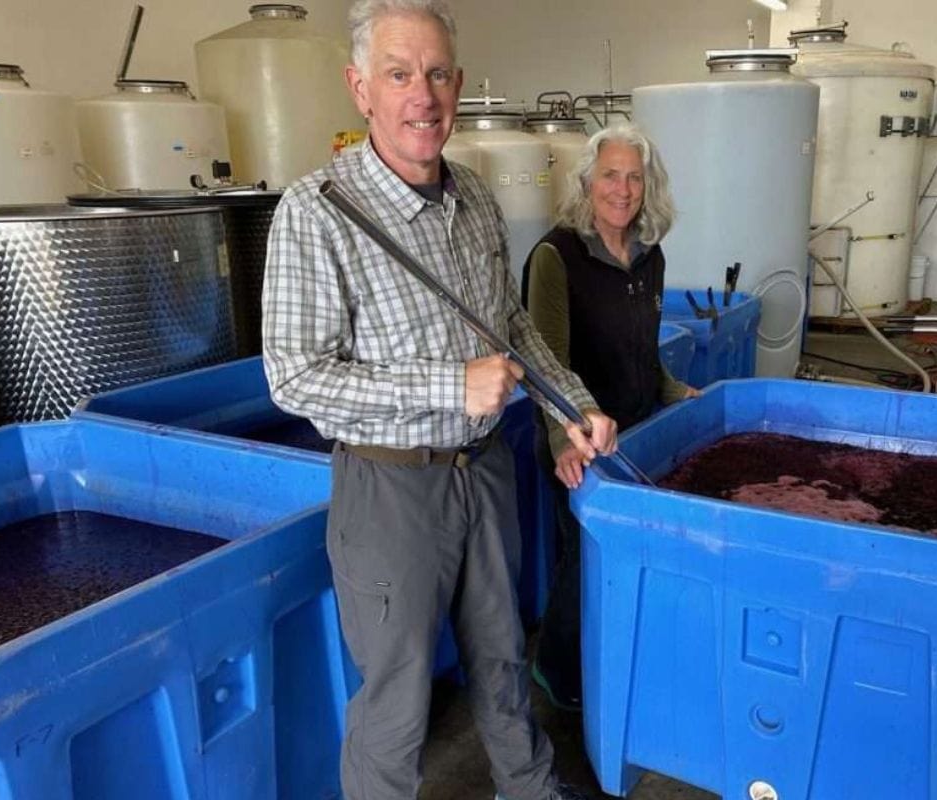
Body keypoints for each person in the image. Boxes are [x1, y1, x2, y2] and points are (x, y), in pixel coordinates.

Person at [260, 2, 616, 799]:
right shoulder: (315, 213)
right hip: (391, 490)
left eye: (437, 73)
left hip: (486, 470)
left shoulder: (478, 200)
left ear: (457, 83)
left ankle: (528, 789)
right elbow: (294, 378)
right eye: (398, 74)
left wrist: (571, 409)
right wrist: (447, 385)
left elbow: (513, 325)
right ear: (361, 89)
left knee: (501, 658)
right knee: (396, 704)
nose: (422, 94)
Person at [522, 124, 697, 710]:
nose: (622, 190)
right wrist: (562, 440)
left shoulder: (650, 255)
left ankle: (621, 653)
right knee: (583, 560)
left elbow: (644, 346)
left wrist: (673, 391)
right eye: (609, 175)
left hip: (639, 431)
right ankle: (558, 673)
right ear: (586, 183)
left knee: (633, 554)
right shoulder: (556, 256)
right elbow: (544, 361)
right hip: (582, 443)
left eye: (634, 177)